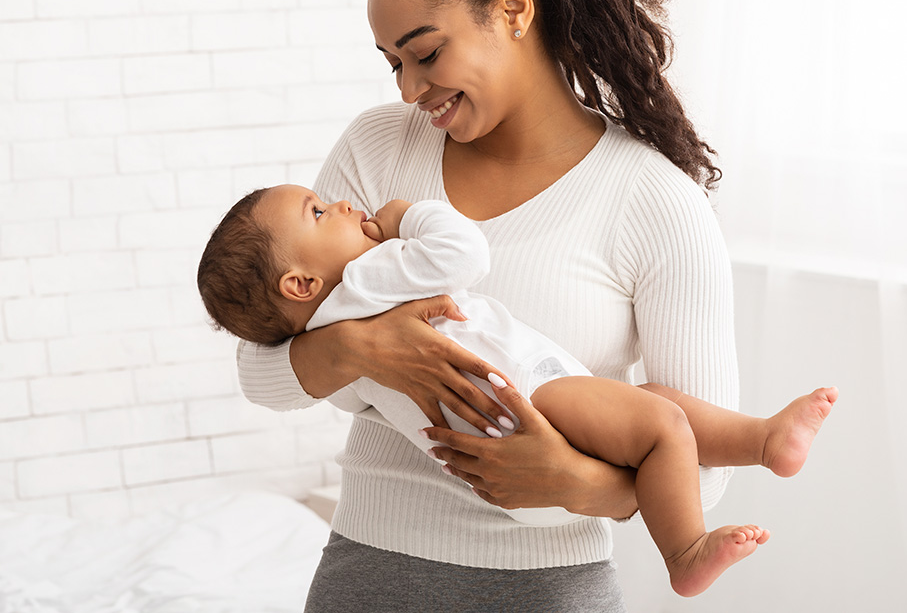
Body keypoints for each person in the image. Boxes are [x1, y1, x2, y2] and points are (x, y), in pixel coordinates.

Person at [234, 0, 799, 612]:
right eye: (393, 62)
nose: (406, 89)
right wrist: (361, 349)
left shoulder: (654, 201)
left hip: (552, 587)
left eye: (426, 53)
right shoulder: (377, 152)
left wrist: (573, 481)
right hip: (370, 570)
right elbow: (262, 364)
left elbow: (702, 469)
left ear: (513, 9)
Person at [200, 186, 837, 596]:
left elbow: (323, 387)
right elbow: (462, 252)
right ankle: (686, 548)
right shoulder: (372, 272)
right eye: (319, 211)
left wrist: (575, 482)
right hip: (533, 400)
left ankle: (759, 440)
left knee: (661, 402)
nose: (342, 204)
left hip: (509, 453)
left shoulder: (334, 318)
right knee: (665, 424)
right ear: (299, 285)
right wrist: (407, 217)